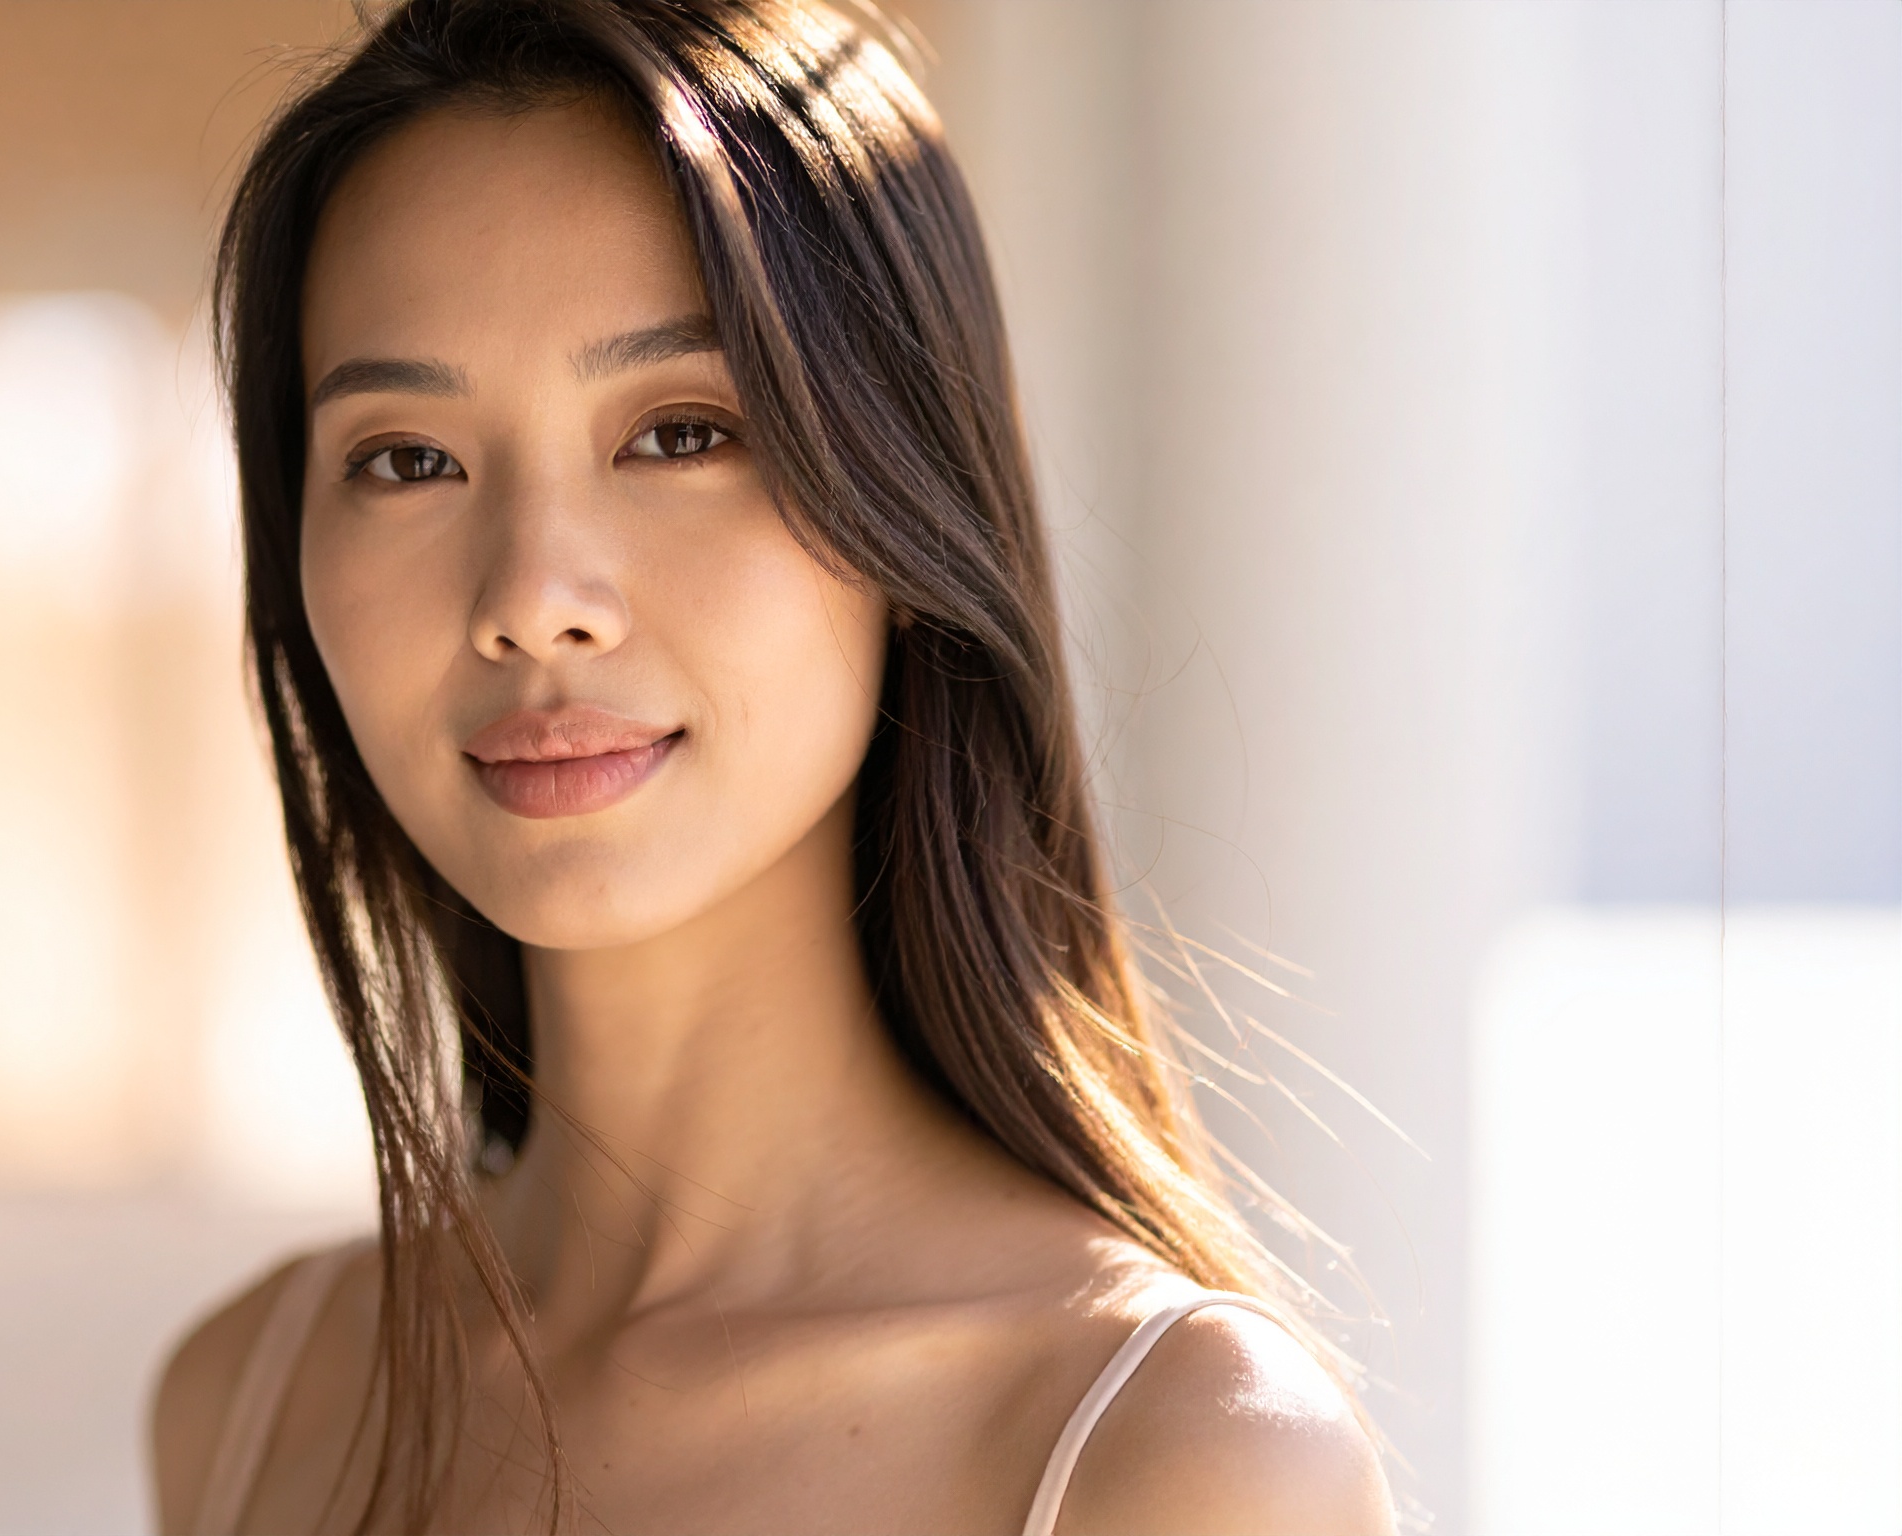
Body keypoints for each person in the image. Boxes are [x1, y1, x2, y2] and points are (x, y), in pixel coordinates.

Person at [154, 1, 1393, 1530]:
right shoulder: (254, 1401)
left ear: (906, 504)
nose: (533, 596)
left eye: (680, 433)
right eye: (408, 460)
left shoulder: (1169, 1458)